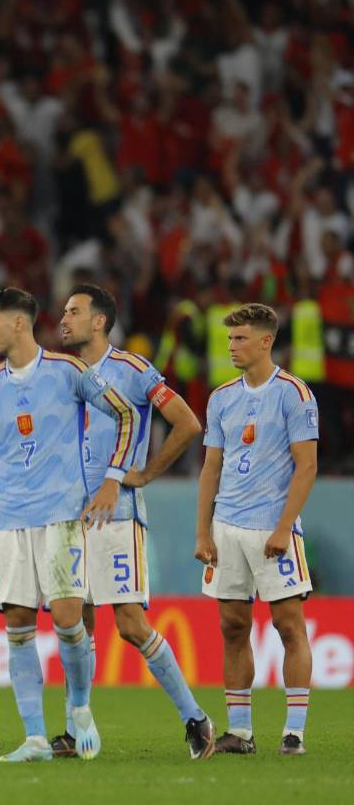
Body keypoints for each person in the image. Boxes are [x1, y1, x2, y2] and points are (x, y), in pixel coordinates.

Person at [0, 287, 140, 763]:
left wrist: (113, 478)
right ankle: (35, 738)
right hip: (8, 521)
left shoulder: (68, 371)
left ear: (20, 324)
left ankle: (79, 708)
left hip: (61, 517)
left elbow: (125, 415)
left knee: (66, 619)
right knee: (16, 625)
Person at [59, 283, 215, 759]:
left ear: (100, 320)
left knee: (128, 623)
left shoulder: (133, 370)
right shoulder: (61, 373)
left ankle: (196, 719)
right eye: (63, 311)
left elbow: (188, 423)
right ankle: (76, 727)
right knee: (74, 621)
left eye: (74, 311)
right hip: (68, 513)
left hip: (117, 512)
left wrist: (145, 473)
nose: (63, 319)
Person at [195, 304, 318, 756]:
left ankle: (294, 731)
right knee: (232, 626)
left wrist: (285, 528)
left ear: (265, 342)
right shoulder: (221, 396)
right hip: (226, 529)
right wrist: (202, 533)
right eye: (229, 339)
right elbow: (211, 467)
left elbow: (307, 467)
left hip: (272, 529)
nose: (231, 346)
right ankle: (240, 731)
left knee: (288, 626)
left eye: (240, 339)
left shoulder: (294, 394)